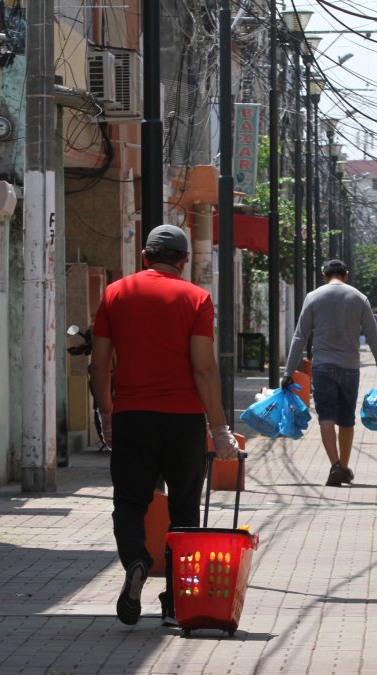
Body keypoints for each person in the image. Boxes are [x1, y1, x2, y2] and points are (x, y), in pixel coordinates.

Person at [89, 224, 241, 628]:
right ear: (184, 261)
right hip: (184, 421)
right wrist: (220, 429)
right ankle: (175, 603)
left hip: (132, 417)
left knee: (129, 503)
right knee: (185, 509)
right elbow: (204, 368)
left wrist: (107, 414)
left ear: (145, 257)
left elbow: (99, 365)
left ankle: (136, 561)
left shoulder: (115, 293)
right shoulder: (196, 298)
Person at [283, 259, 377, 487]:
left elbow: (300, 336)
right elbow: (374, 338)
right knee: (346, 419)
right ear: (346, 274)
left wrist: (288, 371)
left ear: (324, 275)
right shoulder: (359, 298)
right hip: (350, 367)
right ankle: (343, 466)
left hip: (322, 367)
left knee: (326, 417)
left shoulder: (313, 297)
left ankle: (335, 465)